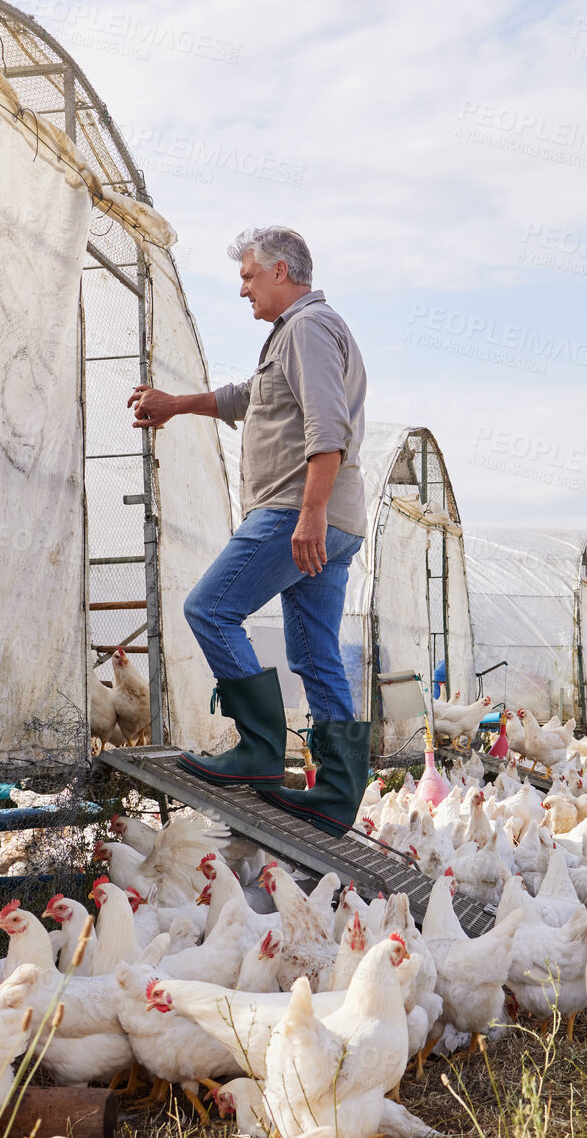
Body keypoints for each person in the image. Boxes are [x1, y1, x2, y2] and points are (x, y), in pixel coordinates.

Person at [126, 226, 368, 836]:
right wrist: (178, 404)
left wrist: (308, 515)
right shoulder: (298, 335)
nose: (243, 290)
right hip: (331, 519)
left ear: (281, 272)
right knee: (315, 653)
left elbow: (327, 429)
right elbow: (250, 399)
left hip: (296, 510)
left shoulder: (308, 329)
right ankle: (337, 796)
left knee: (209, 609)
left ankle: (258, 753)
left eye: (248, 277)